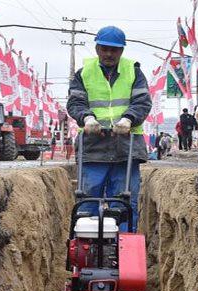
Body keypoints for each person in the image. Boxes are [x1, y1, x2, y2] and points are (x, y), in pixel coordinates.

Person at [66, 26, 152, 231]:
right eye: (104, 49)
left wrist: (129, 119)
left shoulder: (134, 72)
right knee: (87, 202)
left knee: (124, 203)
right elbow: (75, 103)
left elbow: (142, 102)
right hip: (93, 150)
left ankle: (123, 250)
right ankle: (88, 247)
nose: (109, 54)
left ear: (122, 51)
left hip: (126, 150)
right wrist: (86, 118)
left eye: (114, 50)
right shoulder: (84, 73)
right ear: (97, 48)